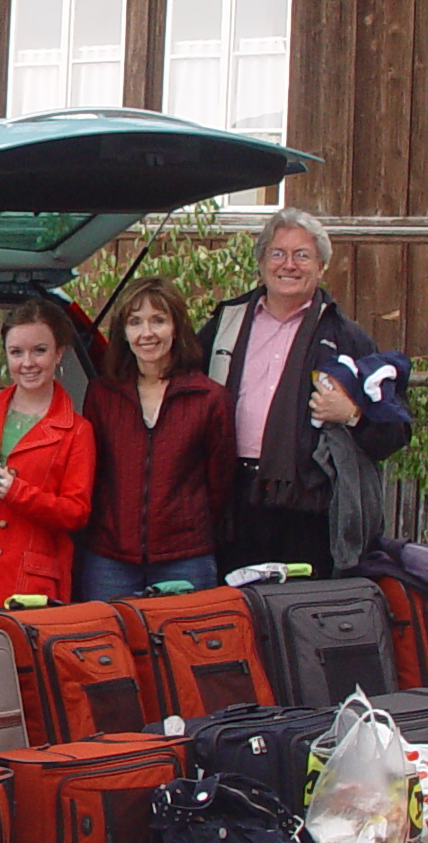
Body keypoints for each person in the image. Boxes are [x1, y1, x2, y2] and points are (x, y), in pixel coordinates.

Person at [202, 206, 410, 578]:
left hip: (308, 508)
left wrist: (352, 415)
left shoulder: (348, 339)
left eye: (302, 255)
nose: (289, 265)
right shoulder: (225, 324)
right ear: (262, 262)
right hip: (231, 499)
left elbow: (393, 434)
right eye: (278, 253)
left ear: (321, 267)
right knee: (236, 614)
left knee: (299, 619)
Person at [0, 299, 97, 616]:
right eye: (16, 352)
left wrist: (17, 492)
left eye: (39, 350)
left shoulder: (77, 430)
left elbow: (76, 513)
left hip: (25, 576)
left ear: (59, 353)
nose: (28, 363)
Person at [77, 281, 235, 599]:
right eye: (135, 322)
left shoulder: (209, 398)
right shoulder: (102, 395)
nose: (146, 333)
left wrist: (187, 527)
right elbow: (93, 473)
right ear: (123, 332)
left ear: (176, 328)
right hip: (110, 559)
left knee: (186, 647)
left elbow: (220, 483)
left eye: (158, 320)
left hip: (186, 558)